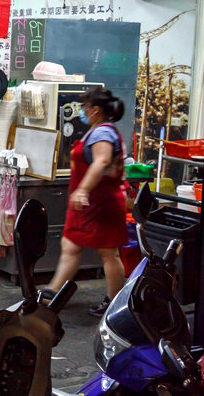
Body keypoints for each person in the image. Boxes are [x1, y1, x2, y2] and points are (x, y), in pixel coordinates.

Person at [43, 86, 127, 317]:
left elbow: (102, 162)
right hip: (89, 204)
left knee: (109, 253)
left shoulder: (103, 133)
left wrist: (82, 190)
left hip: (101, 203)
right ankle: (54, 291)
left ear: (95, 110)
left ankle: (114, 303)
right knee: (71, 245)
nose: (82, 111)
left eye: (85, 107)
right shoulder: (96, 131)